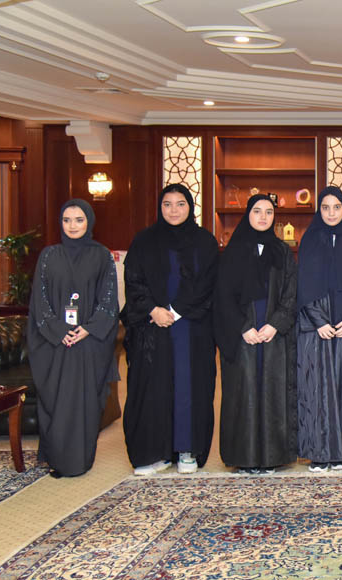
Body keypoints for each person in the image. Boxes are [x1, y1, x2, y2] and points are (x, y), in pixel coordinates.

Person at [122, 184, 218, 476]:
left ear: (190, 207)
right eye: (167, 204)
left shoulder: (204, 241)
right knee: (153, 387)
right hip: (152, 326)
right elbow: (133, 279)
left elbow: (207, 284)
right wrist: (153, 309)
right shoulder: (144, 240)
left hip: (191, 326)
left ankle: (186, 449)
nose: (174, 210)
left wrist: (175, 311)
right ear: (159, 207)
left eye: (180, 204)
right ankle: (157, 452)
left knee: (190, 387)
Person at [26, 199, 119, 478]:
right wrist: (58, 331)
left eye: (79, 219)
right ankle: (57, 458)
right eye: (67, 220)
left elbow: (109, 299)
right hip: (55, 343)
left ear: (89, 221)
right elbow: (39, 301)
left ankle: (80, 460)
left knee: (86, 402)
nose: (72, 225)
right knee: (56, 401)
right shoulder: (48, 256)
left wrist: (88, 329)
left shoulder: (101, 256)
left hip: (89, 342)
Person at [214, 194, 298, 474]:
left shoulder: (283, 253)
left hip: (274, 334)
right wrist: (243, 327)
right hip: (244, 334)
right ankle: (246, 457)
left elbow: (290, 293)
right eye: (257, 211)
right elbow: (222, 296)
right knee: (244, 393)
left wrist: (276, 323)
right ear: (247, 214)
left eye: (269, 212)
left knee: (272, 392)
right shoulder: (233, 251)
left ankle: (272, 456)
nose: (263, 217)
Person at [296, 186, 342, 472]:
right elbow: (301, 284)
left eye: (337, 207)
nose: (332, 212)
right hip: (317, 326)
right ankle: (319, 453)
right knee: (317, 391)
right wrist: (318, 321)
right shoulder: (309, 240)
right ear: (319, 210)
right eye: (326, 207)